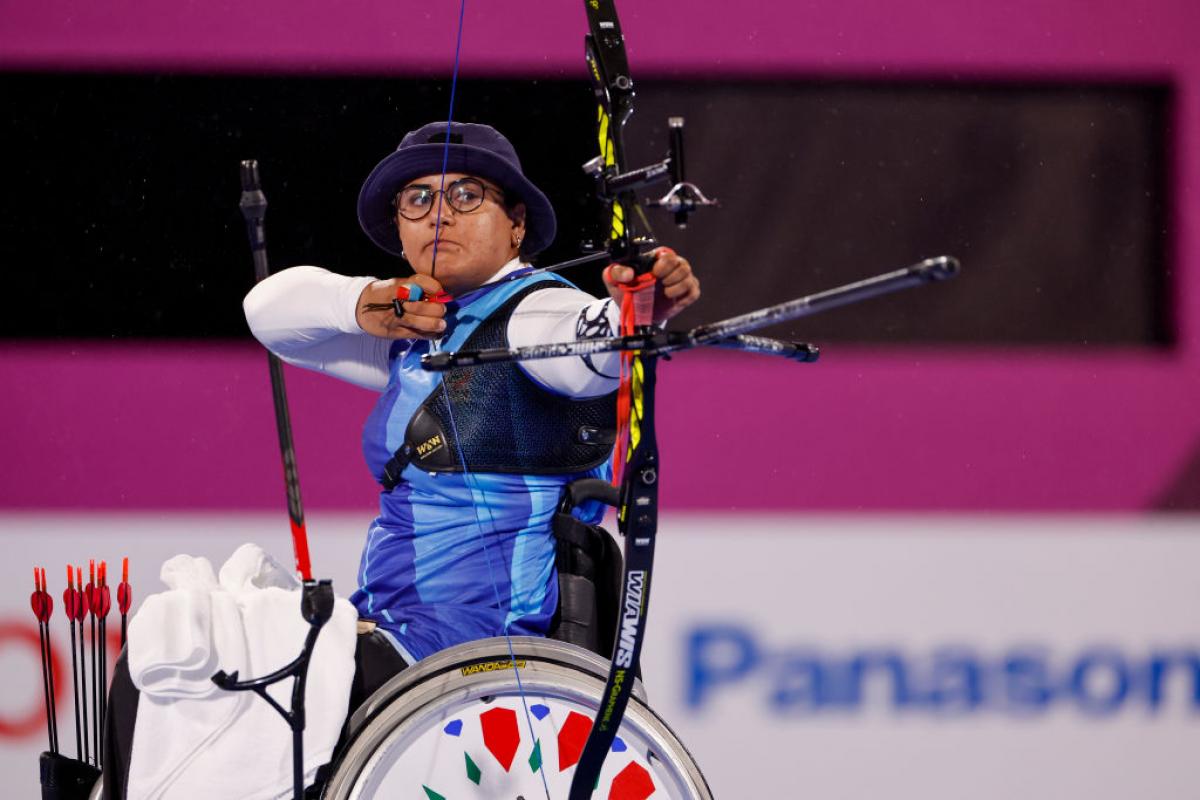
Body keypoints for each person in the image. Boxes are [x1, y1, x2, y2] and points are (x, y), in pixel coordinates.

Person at [242, 121, 700, 671]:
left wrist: (636, 307)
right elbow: (267, 315)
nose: (439, 213)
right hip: (387, 629)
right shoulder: (417, 331)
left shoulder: (531, 314)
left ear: (516, 224)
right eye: (418, 198)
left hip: (472, 651)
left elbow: (586, 343)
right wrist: (359, 299)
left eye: (467, 195)